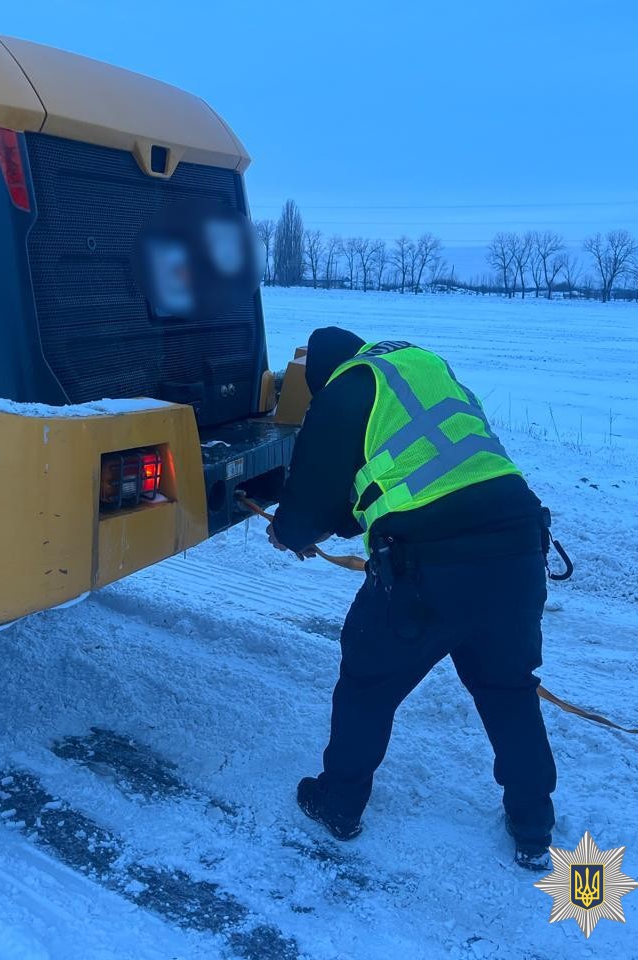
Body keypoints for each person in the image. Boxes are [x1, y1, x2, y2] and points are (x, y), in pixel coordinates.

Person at [268, 327, 557, 871]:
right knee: (507, 689)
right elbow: (402, 478)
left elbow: (307, 506)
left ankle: (339, 803)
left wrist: (289, 534)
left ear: (321, 375)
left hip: (427, 567)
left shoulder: (341, 390)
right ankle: (532, 822)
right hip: (518, 548)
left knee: (367, 683)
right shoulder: (416, 364)